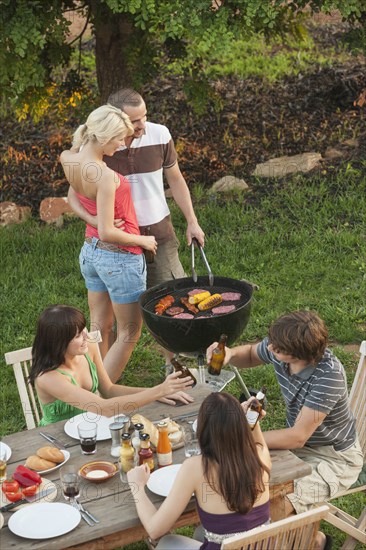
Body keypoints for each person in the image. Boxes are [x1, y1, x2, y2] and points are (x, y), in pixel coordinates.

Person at [67, 88, 205, 372]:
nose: (141, 126)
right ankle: (101, 384)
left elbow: (176, 180)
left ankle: (173, 364)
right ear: (116, 121)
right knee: (105, 324)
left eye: (144, 117)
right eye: (134, 121)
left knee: (172, 306)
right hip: (117, 246)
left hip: (158, 234)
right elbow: (72, 195)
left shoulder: (159, 135)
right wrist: (93, 221)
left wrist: (192, 221)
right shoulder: (102, 148)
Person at [207, 310, 363, 550]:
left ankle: (306, 541)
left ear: (298, 354)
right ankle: (314, 541)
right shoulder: (281, 347)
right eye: (271, 343)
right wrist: (229, 354)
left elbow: (297, 436)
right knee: (246, 486)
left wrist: (241, 438)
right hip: (298, 448)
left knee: (273, 506)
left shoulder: (328, 376)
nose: (270, 349)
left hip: (334, 458)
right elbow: (249, 354)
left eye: (276, 349)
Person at [60, 104, 158, 382]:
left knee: (99, 326)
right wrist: (144, 240)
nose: (122, 144)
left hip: (90, 255)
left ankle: (92, 380)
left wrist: (90, 219)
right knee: (129, 332)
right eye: (119, 139)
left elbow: (72, 196)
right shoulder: (104, 175)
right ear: (103, 137)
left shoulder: (68, 158)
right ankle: (102, 393)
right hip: (119, 257)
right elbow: (108, 232)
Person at [127, 391, 271, 549]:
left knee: (166, 542)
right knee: (200, 533)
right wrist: (253, 421)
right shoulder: (260, 456)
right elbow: (259, 444)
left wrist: (137, 486)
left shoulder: (197, 467)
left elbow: (154, 530)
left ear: (203, 429)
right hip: (261, 546)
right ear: (241, 425)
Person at [29, 305, 194, 426]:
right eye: (79, 335)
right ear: (59, 343)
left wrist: (155, 393)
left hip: (93, 427)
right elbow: (104, 408)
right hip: (59, 440)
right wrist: (158, 390)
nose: (87, 336)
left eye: (84, 329)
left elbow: (108, 390)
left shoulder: (88, 348)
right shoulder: (48, 378)